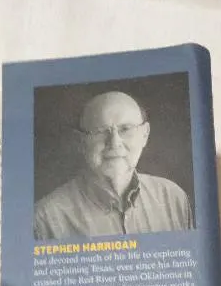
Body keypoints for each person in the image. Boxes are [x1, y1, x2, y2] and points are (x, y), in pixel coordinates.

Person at [34, 90, 193, 239]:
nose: (115, 142)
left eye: (126, 129)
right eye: (100, 131)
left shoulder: (173, 198)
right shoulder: (44, 220)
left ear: (145, 135)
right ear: (81, 142)